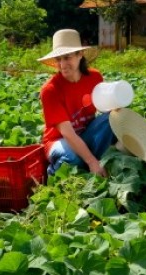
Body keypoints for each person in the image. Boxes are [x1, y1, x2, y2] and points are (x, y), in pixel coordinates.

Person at [38, 29, 116, 177]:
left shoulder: (95, 77)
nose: (62, 64)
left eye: (67, 57)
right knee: (72, 158)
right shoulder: (50, 90)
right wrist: (92, 161)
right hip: (59, 140)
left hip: (85, 133)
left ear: (80, 55)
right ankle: (53, 173)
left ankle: (90, 162)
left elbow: (108, 108)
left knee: (112, 118)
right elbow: (68, 133)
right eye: (58, 59)